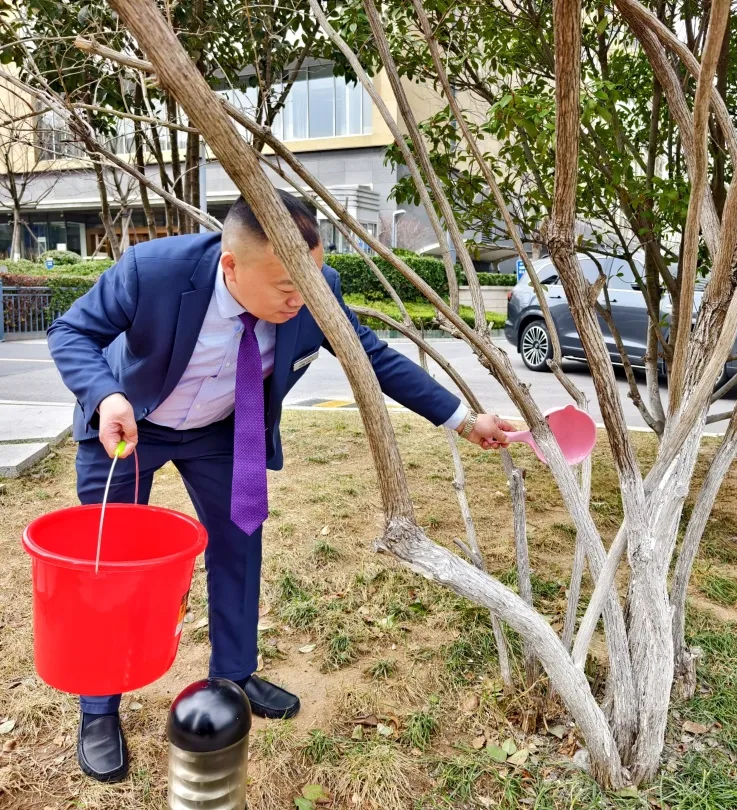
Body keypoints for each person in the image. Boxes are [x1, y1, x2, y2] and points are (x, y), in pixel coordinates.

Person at [47, 192, 513, 783]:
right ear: (230, 264)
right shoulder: (155, 271)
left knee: (241, 542)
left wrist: (464, 421)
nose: (300, 298)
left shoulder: (314, 292)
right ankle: (98, 707)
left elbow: (372, 358)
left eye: (309, 282)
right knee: (110, 563)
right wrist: (106, 394)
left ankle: (234, 674)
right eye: (285, 286)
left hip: (221, 431)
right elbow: (71, 332)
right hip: (129, 424)